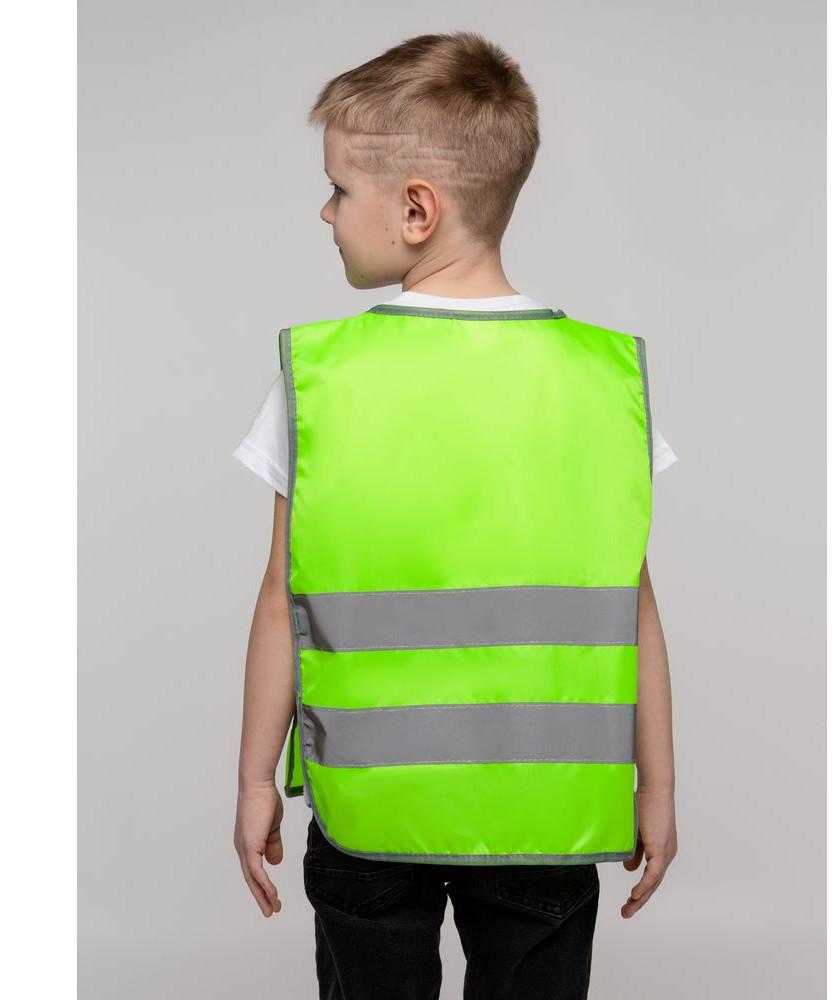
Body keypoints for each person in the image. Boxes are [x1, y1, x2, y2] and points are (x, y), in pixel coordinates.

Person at [232, 30, 679, 1000]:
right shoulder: (606, 386)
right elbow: (633, 608)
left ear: (416, 209)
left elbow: (279, 598)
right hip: (546, 814)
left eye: (338, 189)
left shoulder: (320, 380)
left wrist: (255, 779)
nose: (325, 211)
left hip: (368, 812)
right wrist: (658, 786)